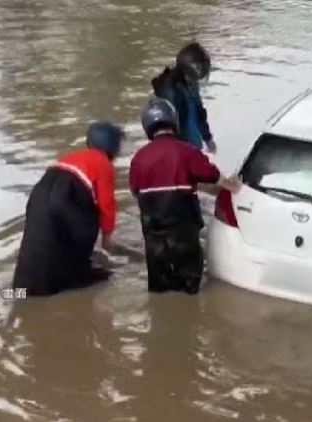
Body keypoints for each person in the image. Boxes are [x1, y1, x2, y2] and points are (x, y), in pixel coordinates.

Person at [129, 98, 240, 294]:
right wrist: (235, 186)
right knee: (189, 284)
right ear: (174, 121)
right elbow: (214, 176)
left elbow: (134, 191)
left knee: (158, 288)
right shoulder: (187, 151)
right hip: (183, 230)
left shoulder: (139, 157)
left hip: (154, 233)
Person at [12, 122, 124, 296]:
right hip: (68, 197)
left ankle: (21, 290)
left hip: (39, 195)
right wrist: (107, 237)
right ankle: (77, 277)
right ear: (114, 148)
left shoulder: (70, 156)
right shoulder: (103, 163)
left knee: (36, 248)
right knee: (86, 233)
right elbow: (107, 204)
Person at [150, 42, 217, 153]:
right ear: (184, 72)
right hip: (178, 149)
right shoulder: (170, 90)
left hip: (192, 144)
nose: (195, 81)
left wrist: (208, 138)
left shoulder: (191, 86)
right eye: (193, 77)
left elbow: (199, 113)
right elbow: (168, 127)